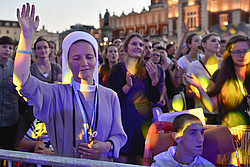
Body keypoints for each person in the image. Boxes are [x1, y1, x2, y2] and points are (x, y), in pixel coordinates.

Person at [14, 3, 127, 161]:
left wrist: (107, 146)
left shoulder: (110, 96)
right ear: (67, 62)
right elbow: (21, 81)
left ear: (96, 59)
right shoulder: (55, 93)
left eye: (89, 57)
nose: (84, 63)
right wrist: (26, 37)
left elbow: (118, 135)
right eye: (76, 58)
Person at [107, 33, 160, 164]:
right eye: (134, 44)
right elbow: (111, 99)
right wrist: (127, 87)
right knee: (122, 159)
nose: (138, 47)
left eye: (141, 45)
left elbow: (155, 99)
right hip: (123, 120)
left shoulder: (148, 68)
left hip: (143, 122)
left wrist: (154, 81)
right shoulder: (117, 69)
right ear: (126, 48)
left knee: (141, 159)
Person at [184, 34, 250, 128]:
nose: (242, 55)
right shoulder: (221, 74)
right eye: (237, 52)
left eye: (246, 51)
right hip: (228, 129)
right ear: (229, 54)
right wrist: (199, 87)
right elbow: (211, 106)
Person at [186, 33, 222, 124]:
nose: (217, 43)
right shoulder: (194, 65)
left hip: (222, 112)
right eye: (213, 41)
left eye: (219, 41)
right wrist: (201, 94)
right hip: (202, 113)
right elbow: (188, 92)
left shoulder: (224, 63)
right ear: (204, 44)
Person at [0, 36, 19, 153]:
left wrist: (17, 86)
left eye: (10, 48)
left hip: (11, 117)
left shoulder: (16, 67)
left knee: (8, 150)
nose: (7, 50)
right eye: (4, 47)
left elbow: (23, 92)